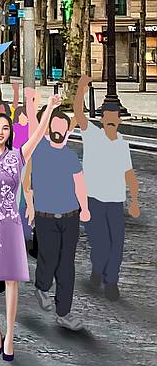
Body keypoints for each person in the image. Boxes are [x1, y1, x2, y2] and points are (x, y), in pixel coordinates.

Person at [0, 95, 59, 361]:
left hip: (11, 224)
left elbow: (39, 134)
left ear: (10, 134)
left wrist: (50, 108)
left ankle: (10, 335)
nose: (0, 132)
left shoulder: (18, 156)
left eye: (5, 128)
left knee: (12, 279)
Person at [72, 75, 140, 301]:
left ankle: (111, 281)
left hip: (115, 202)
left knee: (117, 244)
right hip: (93, 201)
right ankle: (98, 269)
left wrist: (134, 201)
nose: (111, 120)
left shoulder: (123, 143)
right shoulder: (91, 135)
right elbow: (79, 114)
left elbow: (128, 173)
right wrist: (81, 88)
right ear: (101, 120)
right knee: (100, 244)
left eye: (115, 117)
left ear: (119, 120)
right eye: (107, 116)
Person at [26, 108, 88, 331]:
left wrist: (85, 208)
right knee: (49, 258)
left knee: (66, 266)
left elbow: (79, 183)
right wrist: (48, 106)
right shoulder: (39, 149)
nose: (59, 130)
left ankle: (64, 312)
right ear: (48, 128)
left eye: (63, 127)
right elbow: (36, 125)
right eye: (55, 126)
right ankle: (42, 287)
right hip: (46, 218)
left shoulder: (70, 156)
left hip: (70, 217)